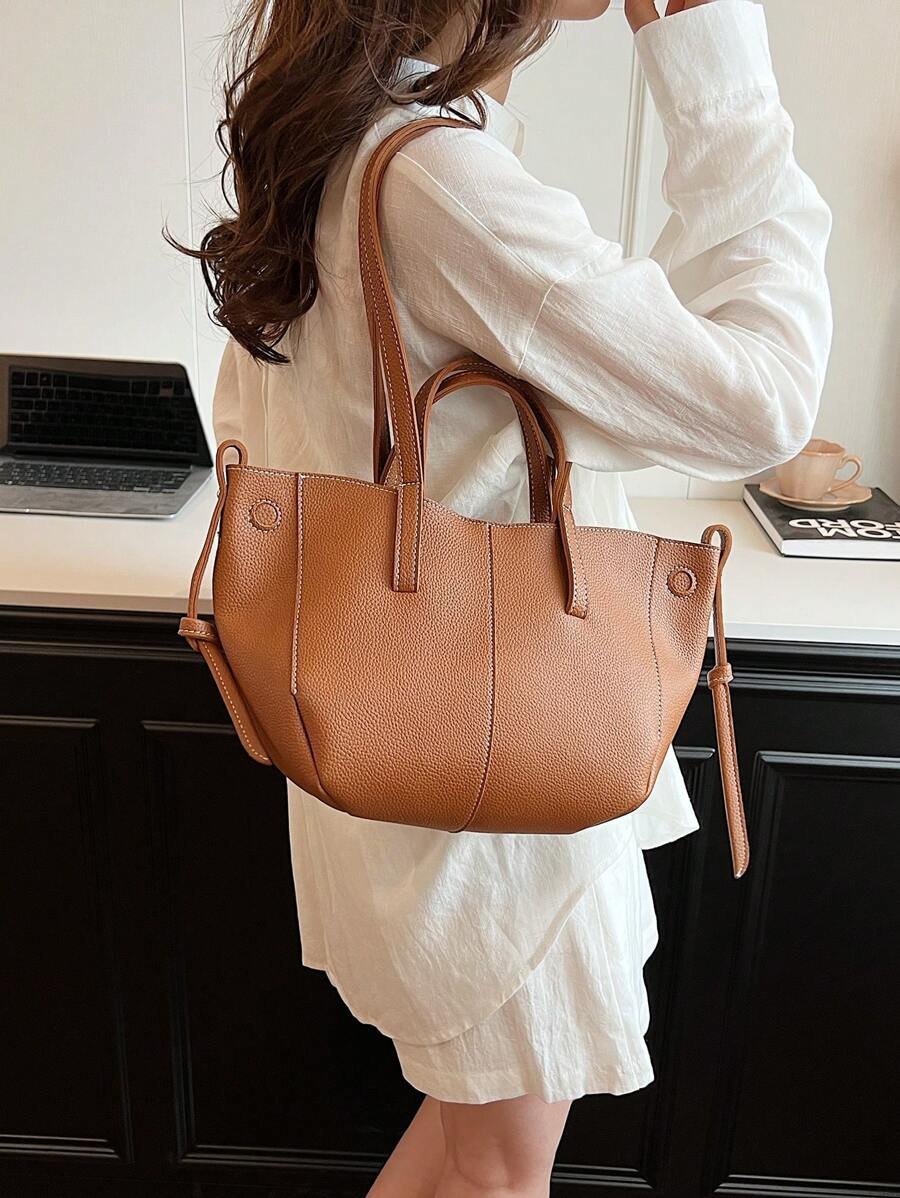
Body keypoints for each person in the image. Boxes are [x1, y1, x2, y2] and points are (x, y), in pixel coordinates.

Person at [172, 0, 832, 1192]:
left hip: (427, 738)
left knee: (472, 1149)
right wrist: (715, 61)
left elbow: (654, 374)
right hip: (492, 774)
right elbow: (761, 400)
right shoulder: (440, 183)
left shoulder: (359, 143)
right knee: (495, 1165)